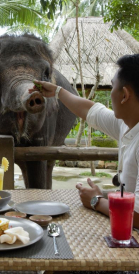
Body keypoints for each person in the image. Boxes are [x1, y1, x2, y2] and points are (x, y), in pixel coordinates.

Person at [30, 54, 139, 229]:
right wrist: (57, 92)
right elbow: (91, 110)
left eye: (112, 87)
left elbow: (137, 216)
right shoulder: (126, 124)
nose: (111, 93)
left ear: (124, 95)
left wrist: (96, 201)